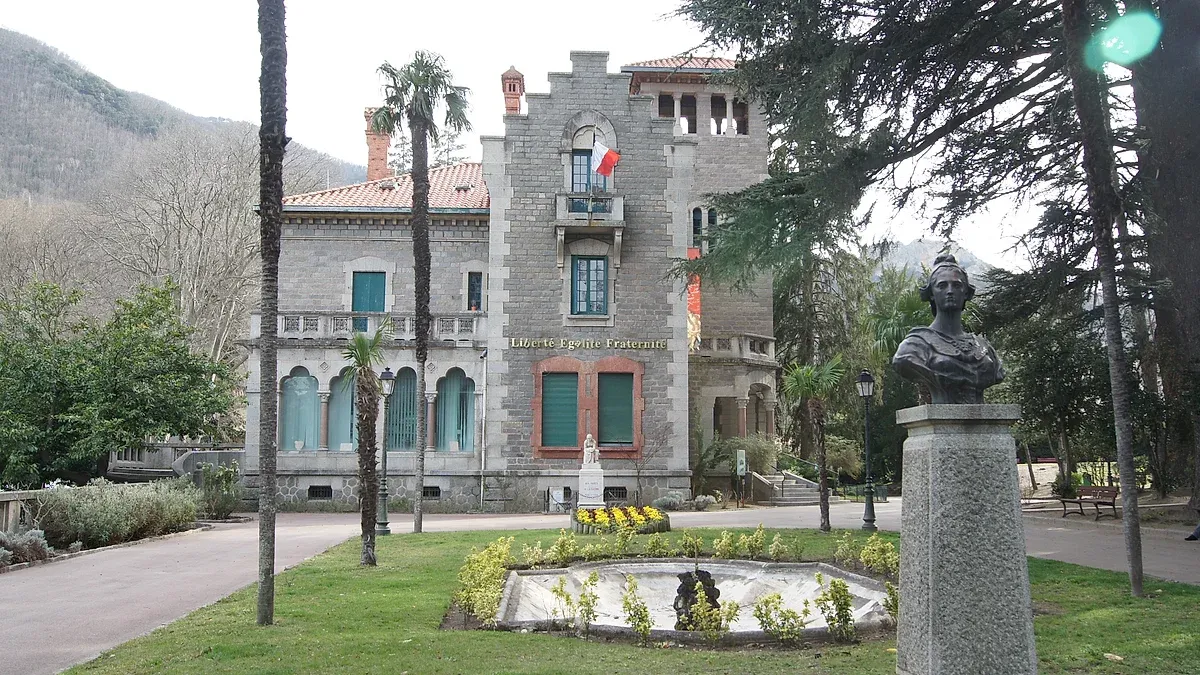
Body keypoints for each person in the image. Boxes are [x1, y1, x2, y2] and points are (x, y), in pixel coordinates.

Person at [893, 253, 1004, 403]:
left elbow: (997, 374)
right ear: (931, 294)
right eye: (942, 285)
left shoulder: (984, 347)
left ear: (966, 293)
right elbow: (903, 362)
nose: (950, 291)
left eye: (957, 285)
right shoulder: (915, 347)